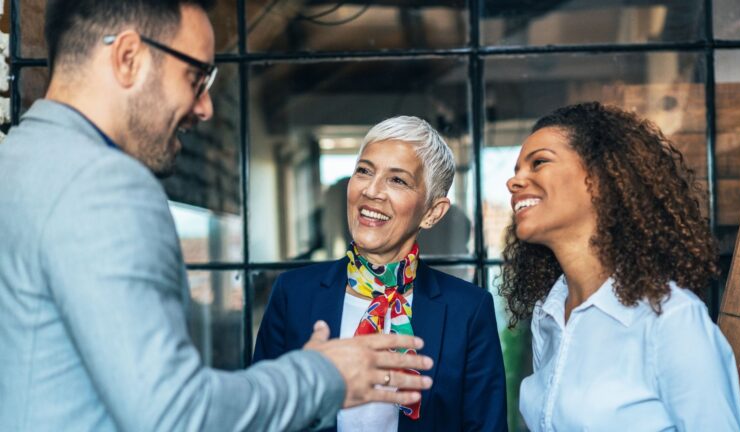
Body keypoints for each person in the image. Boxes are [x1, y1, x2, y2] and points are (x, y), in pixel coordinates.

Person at [0, 1, 434, 431]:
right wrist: (326, 374)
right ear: (128, 57)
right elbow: (176, 414)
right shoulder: (105, 183)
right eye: (195, 76)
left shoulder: (16, 162)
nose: (206, 107)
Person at [502, 102, 740, 431]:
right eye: (517, 169)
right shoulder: (549, 317)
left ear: (601, 178)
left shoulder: (670, 318)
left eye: (539, 162)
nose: (514, 181)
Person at [253, 116, 508, 431]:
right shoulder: (293, 293)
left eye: (397, 180)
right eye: (364, 171)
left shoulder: (469, 310)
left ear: (432, 212)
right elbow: (261, 415)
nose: (371, 191)